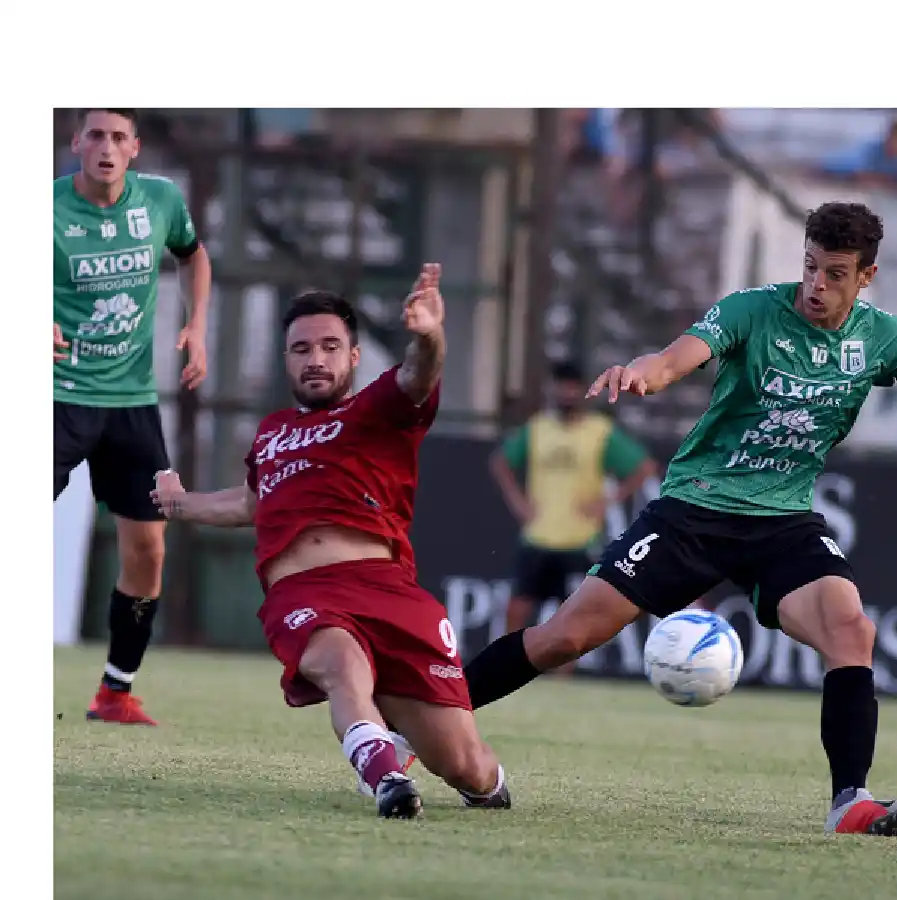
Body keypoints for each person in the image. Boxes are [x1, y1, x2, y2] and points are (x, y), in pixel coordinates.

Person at [457, 201, 897, 836]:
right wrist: (645, 374)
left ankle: (850, 802)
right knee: (562, 639)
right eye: (811, 266)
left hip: (783, 523)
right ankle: (423, 724)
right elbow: (679, 355)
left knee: (853, 632)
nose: (817, 285)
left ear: (865, 277)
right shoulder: (752, 310)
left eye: (835, 274)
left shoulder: (886, 339)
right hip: (694, 511)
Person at [149, 269, 511, 819]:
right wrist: (181, 504)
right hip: (303, 593)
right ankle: (386, 778)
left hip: (388, 593)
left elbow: (418, 374)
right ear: (286, 360)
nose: (315, 358)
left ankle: (472, 776)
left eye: (329, 346)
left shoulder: (377, 408)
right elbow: (250, 504)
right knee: (340, 662)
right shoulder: (271, 431)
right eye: (300, 349)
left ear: (354, 356)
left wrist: (430, 335)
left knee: (467, 765)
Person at [54, 108, 212, 726]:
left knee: (148, 547)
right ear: (76, 143)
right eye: (95, 135)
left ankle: (115, 692)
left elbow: (193, 256)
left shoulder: (162, 201)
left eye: (119, 137)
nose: (107, 147)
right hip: (56, 396)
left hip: (131, 404)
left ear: (136, 148)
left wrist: (197, 325)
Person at [491, 361, 655, 656]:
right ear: (552, 389)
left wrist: (608, 500)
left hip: (580, 539)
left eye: (572, 386)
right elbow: (501, 462)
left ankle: (561, 682)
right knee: (517, 608)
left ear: (582, 390)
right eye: (561, 385)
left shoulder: (599, 432)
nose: (566, 392)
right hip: (539, 534)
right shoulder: (538, 428)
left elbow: (644, 467)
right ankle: (505, 664)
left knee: (572, 622)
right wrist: (518, 501)